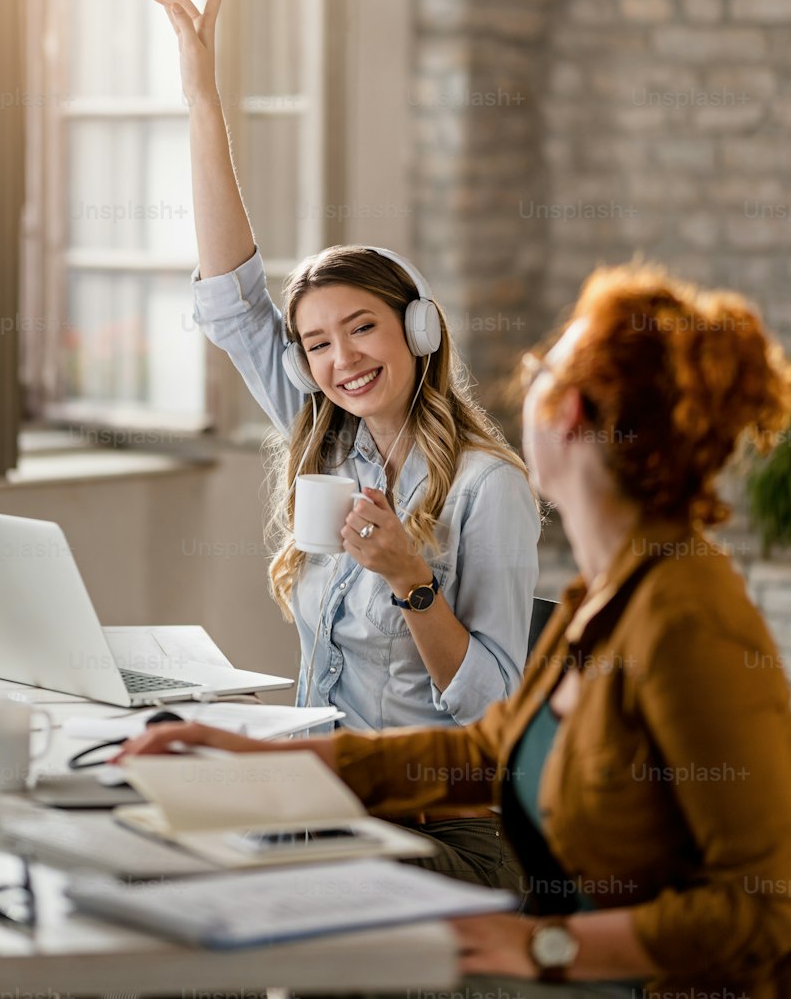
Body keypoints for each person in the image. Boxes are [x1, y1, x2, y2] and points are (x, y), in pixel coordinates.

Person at [117, 262, 791, 999]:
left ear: (568, 416)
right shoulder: (612, 595)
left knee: (253, 909)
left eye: (541, 368)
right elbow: (484, 751)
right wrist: (259, 758)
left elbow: (765, 909)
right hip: (555, 936)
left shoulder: (688, 618)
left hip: (597, 969)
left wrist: (542, 945)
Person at [146, 0, 540, 890]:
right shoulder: (327, 439)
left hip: (446, 832)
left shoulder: (492, 490)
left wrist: (412, 582)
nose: (340, 360)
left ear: (418, 328)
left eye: (361, 327)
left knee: (227, 885)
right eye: (316, 343)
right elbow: (232, 303)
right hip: (328, 798)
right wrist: (203, 100)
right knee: (154, 849)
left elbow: (500, 712)